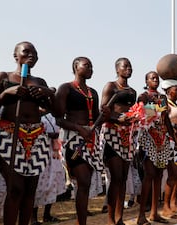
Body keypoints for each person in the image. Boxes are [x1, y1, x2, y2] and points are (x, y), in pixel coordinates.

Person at [0, 41, 54, 225]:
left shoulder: (40, 82)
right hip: (9, 136)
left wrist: (47, 94)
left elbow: (54, 111)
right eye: (26, 52)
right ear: (16, 56)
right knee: (15, 188)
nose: (32, 55)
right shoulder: (3, 77)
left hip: (37, 140)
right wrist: (5, 95)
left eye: (35, 53)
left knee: (30, 190)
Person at [53, 56, 108, 225]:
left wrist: (104, 115)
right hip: (74, 140)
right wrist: (79, 129)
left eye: (92, 66)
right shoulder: (65, 88)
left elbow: (97, 118)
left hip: (91, 140)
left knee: (85, 183)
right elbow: (58, 119)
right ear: (76, 67)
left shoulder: (93, 92)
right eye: (87, 65)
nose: (91, 68)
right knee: (83, 180)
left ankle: (81, 221)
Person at [99, 57, 137, 225]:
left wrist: (136, 118)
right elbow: (103, 111)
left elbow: (132, 112)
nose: (128, 68)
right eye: (125, 66)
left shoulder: (132, 91)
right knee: (115, 177)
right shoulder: (111, 86)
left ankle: (119, 218)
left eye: (130, 66)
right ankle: (110, 219)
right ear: (117, 69)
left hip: (127, 136)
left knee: (122, 178)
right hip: (111, 133)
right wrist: (118, 119)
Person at [136, 71, 174, 225]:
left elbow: (166, 120)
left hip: (163, 138)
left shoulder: (163, 97)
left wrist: (174, 138)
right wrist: (158, 109)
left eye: (157, 78)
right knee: (149, 174)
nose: (155, 80)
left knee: (159, 174)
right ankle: (140, 215)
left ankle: (154, 213)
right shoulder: (143, 96)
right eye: (152, 78)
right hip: (148, 137)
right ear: (146, 81)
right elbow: (142, 113)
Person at [31, 111, 66, 225]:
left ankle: (47, 215)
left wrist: (56, 136)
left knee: (53, 183)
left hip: (53, 153)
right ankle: (33, 218)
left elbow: (61, 131)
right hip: (38, 153)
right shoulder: (35, 114)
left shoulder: (56, 115)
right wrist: (48, 134)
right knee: (37, 185)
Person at [161, 79, 177, 218]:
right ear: (169, 90)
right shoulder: (164, 102)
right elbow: (160, 118)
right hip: (170, 141)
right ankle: (165, 207)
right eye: (176, 89)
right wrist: (175, 127)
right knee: (173, 173)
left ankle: (173, 204)